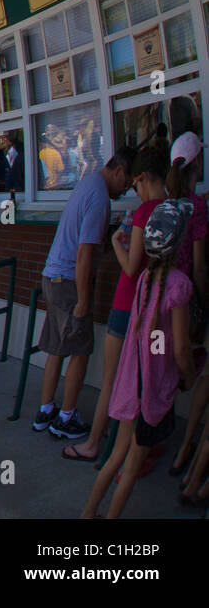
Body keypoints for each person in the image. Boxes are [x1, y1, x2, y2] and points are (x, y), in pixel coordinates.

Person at [82, 199, 197, 518]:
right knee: (131, 467)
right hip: (153, 393)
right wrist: (187, 376)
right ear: (180, 242)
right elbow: (180, 350)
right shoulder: (179, 286)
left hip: (132, 385)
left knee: (115, 456)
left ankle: (88, 513)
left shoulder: (146, 279)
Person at [64, 147, 166, 462]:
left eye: (134, 185)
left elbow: (131, 266)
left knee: (113, 379)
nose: (131, 191)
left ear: (143, 178)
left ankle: (94, 442)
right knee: (145, 377)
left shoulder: (145, 212)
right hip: (154, 307)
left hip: (127, 302)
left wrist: (114, 242)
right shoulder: (174, 209)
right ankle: (134, 442)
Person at [33, 148, 135, 439]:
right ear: (119, 171)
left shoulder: (88, 181)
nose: (126, 189)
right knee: (79, 350)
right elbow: (85, 253)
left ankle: (46, 409)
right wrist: (84, 299)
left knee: (56, 347)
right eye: (127, 182)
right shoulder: (100, 198)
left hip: (51, 276)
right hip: (69, 282)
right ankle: (66, 418)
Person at [167, 133, 209, 479]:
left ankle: (159, 443)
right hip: (186, 299)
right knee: (197, 370)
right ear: (197, 162)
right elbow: (199, 266)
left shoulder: (167, 203)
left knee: (160, 365)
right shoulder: (197, 206)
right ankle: (185, 452)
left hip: (160, 300)